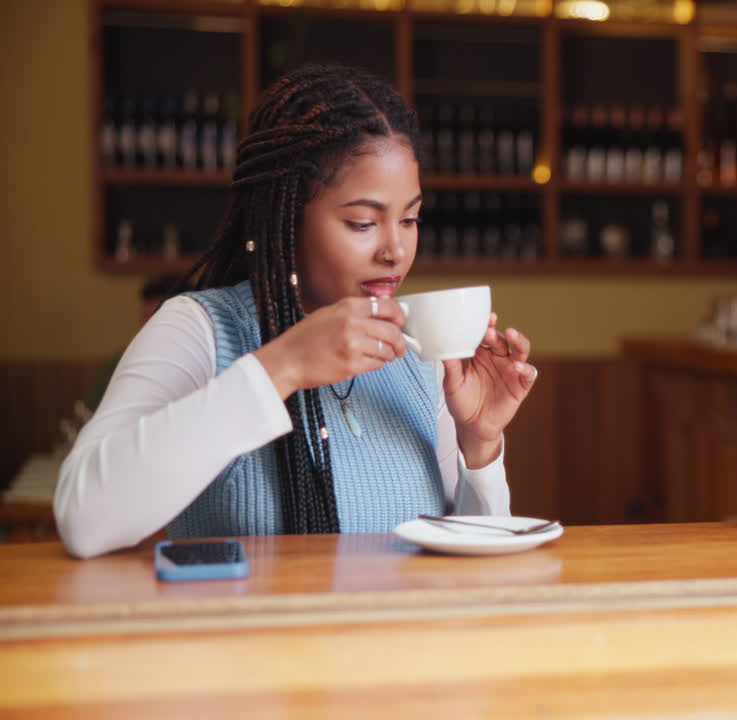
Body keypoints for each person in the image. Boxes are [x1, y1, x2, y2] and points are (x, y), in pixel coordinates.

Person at [56, 64, 538, 558]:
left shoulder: (418, 361)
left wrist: (478, 443)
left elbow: (470, 563)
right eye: (362, 222)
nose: (395, 250)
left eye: (410, 218)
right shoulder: (200, 329)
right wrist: (282, 366)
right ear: (286, 218)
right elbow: (84, 519)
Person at [83, 273, 190, 412]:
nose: (147, 326)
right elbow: (88, 416)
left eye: (157, 317)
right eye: (145, 317)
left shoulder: (203, 364)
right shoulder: (122, 361)